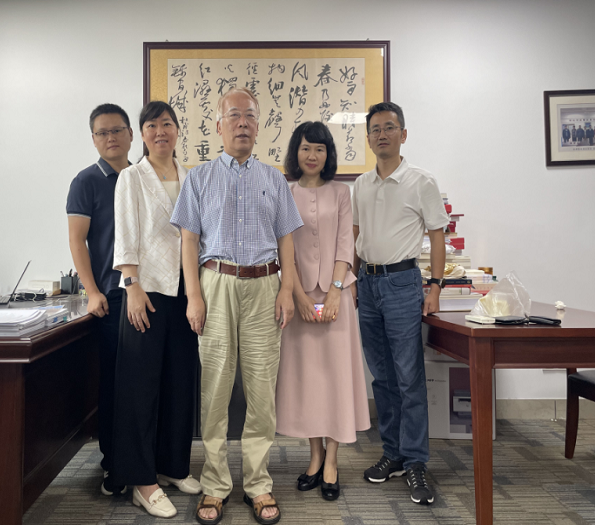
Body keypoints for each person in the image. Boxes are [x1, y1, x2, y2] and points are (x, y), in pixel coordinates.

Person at [171, 87, 303, 525]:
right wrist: (193, 295)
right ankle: (214, 484)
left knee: (261, 390)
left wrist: (287, 289)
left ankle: (258, 483)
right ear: (218, 125)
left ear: (259, 125)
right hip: (216, 284)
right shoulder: (198, 178)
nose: (242, 123)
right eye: (234, 116)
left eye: (249, 116)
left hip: (265, 285)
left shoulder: (274, 179)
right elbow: (189, 242)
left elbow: (286, 240)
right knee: (215, 390)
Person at [352, 102, 449, 505]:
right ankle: (392, 453)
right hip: (367, 284)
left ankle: (415, 462)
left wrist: (435, 286)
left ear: (403, 134)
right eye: (375, 129)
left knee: (409, 377)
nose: (382, 134)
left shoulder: (421, 181)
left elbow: (438, 236)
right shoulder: (360, 184)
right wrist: (351, 281)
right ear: (368, 138)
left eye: (389, 127)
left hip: (403, 283)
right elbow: (356, 236)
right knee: (382, 377)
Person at [110, 101, 201, 518]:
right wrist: (131, 285)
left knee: (181, 380)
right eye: (151, 125)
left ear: (177, 130)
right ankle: (142, 481)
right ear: (141, 134)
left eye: (167, 123)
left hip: (186, 290)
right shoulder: (131, 177)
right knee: (140, 386)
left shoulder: (192, 176)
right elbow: (126, 233)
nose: (160, 131)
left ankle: (172, 466)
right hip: (145, 291)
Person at [275, 121, 370, 502]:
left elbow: (347, 244)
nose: (312, 155)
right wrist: (298, 295)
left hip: (337, 298)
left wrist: (335, 292)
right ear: (295, 153)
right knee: (308, 382)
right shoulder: (285, 192)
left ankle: (332, 460)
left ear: (328, 154)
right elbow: (283, 248)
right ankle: (314, 457)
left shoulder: (342, 192)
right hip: (298, 298)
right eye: (305, 148)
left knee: (336, 379)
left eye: (319, 148)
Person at [66, 103, 133, 497]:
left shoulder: (142, 177)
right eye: (102, 132)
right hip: (112, 298)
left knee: (141, 384)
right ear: (93, 139)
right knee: (115, 384)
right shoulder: (86, 181)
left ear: (130, 135)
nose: (111, 138)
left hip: (147, 295)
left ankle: (142, 460)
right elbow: (78, 240)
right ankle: (114, 463)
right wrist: (92, 291)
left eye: (117, 130)